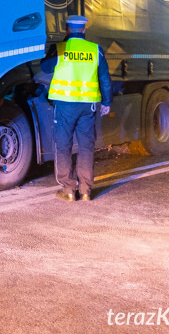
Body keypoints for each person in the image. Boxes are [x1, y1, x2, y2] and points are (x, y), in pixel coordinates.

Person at [40, 15, 112, 202]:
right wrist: (106, 102)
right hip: (88, 106)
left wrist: (63, 44)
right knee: (86, 146)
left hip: (64, 106)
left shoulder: (60, 49)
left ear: (66, 30)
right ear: (84, 30)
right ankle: (86, 190)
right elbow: (105, 78)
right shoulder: (95, 50)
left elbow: (45, 67)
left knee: (63, 146)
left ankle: (69, 190)